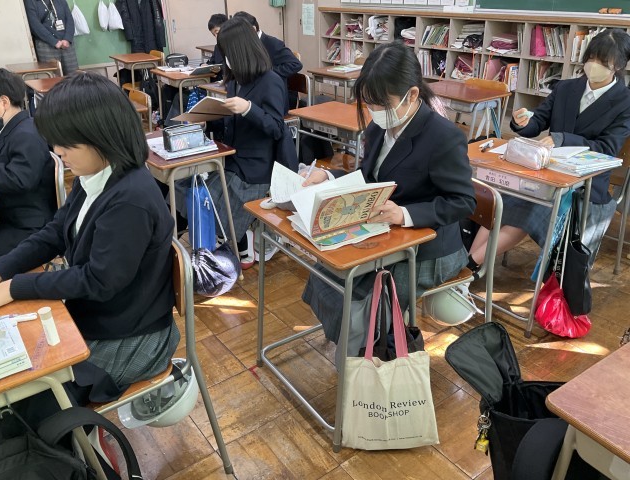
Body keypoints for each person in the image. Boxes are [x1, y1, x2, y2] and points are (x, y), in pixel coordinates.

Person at [0, 72, 179, 407]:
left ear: (102, 137)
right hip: (100, 316)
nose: (58, 152)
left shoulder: (130, 200)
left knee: (28, 397)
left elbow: (97, 280)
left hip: (132, 336)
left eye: (67, 145)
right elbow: (55, 231)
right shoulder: (94, 174)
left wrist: (14, 287)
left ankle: (76, 434)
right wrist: (0, 270)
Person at [301, 41, 476, 343]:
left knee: (373, 298)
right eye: (370, 103)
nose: (375, 111)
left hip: (430, 247)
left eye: (381, 103)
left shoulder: (443, 137)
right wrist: (328, 176)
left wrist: (405, 214)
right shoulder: (379, 127)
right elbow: (369, 178)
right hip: (387, 234)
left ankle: (370, 350)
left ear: (412, 95)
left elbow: (462, 202)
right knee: (327, 273)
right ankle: (354, 343)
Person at [469, 28, 630, 271]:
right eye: (590, 58)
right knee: (500, 200)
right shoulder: (566, 88)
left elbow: (606, 149)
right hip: (543, 173)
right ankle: (467, 267)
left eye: (602, 61)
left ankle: (470, 266)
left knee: (527, 210)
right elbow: (537, 122)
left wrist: (562, 139)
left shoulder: (624, 102)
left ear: (618, 65)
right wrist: (522, 122)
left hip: (583, 186)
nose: (593, 65)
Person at [175, 17, 296, 269]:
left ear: (240, 51)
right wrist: (206, 120)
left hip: (255, 167)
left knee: (215, 203)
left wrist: (249, 108)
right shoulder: (235, 81)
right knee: (188, 188)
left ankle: (241, 241)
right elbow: (231, 122)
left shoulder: (270, 80)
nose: (225, 58)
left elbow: (277, 128)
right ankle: (228, 242)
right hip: (232, 156)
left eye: (228, 53)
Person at [0, 67, 55, 261]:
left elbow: (20, 179)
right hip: (11, 216)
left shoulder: (27, 135)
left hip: (28, 228)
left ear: (4, 102)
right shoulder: (11, 130)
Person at [233, 11, 302, 112]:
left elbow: (295, 64)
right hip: (253, 93)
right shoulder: (246, 45)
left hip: (272, 97)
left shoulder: (272, 43)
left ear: (253, 29)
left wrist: (267, 72)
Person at [23, 0, 78, 74]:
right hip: (46, 44)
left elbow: (69, 19)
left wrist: (67, 38)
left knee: (74, 74)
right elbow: (35, 25)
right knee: (53, 75)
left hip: (66, 43)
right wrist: (53, 41)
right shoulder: (30, 2)